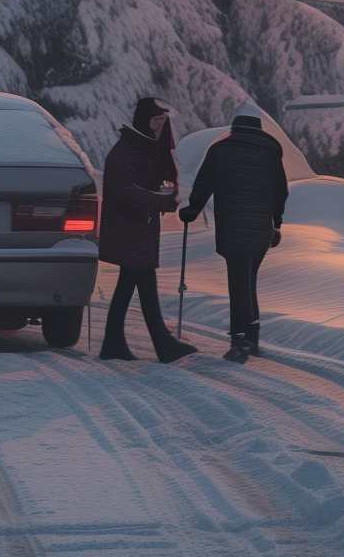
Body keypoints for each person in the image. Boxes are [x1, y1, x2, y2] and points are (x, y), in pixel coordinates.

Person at [182, 108, 288, 363]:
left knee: (238, 283)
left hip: (233, 227)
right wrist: (277, 222)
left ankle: (240, 340)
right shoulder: (270, 152)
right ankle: (252, 336)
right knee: (248, 281)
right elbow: (280, 191)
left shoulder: (221, 151)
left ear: (234, 129)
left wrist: (192, 209)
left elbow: (204, 183)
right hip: (261, 229)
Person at [96, 96, 194, 362]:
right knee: (143, 286)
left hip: (139, 229)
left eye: (162, 121)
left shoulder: (143, 148)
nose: (160, 126)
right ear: (143, 120)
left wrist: (167, 193)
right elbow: (125, 191)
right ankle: (161, 344)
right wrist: (161, 199)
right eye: (155, 121)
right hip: (130, 229)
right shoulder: (126, 150)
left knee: (129, 285)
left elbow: (150, 183)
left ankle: (115, 342)